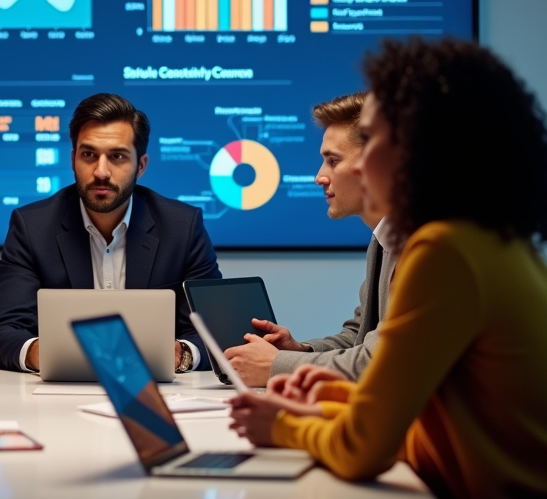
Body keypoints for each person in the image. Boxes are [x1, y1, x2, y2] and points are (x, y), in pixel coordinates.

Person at [229, 38, 547, 498]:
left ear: (420, 152)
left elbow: (364, 449)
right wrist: (331, 399)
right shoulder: (491, 240)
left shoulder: (446, 252)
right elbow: (422, 412)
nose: (356, 169)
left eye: (374, 139)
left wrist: (282, 426)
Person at [0, 93, 222, 374]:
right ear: (73, 160)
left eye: (117, 157)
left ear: (141, 166)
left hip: (159, 391)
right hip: (57, 397)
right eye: (88, 155)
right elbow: (3, 332)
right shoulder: (32, 226)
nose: (100, 171)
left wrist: (181, 354)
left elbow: (215, 334)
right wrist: (41, 352)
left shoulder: (182, 226)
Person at [224, 92, 395, 386]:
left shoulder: (426, 243)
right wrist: (300, 350)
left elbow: (381, 361)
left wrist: (278, 365)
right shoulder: (383, 240)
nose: (319, 176)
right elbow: (361, 333)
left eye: (332, 160)